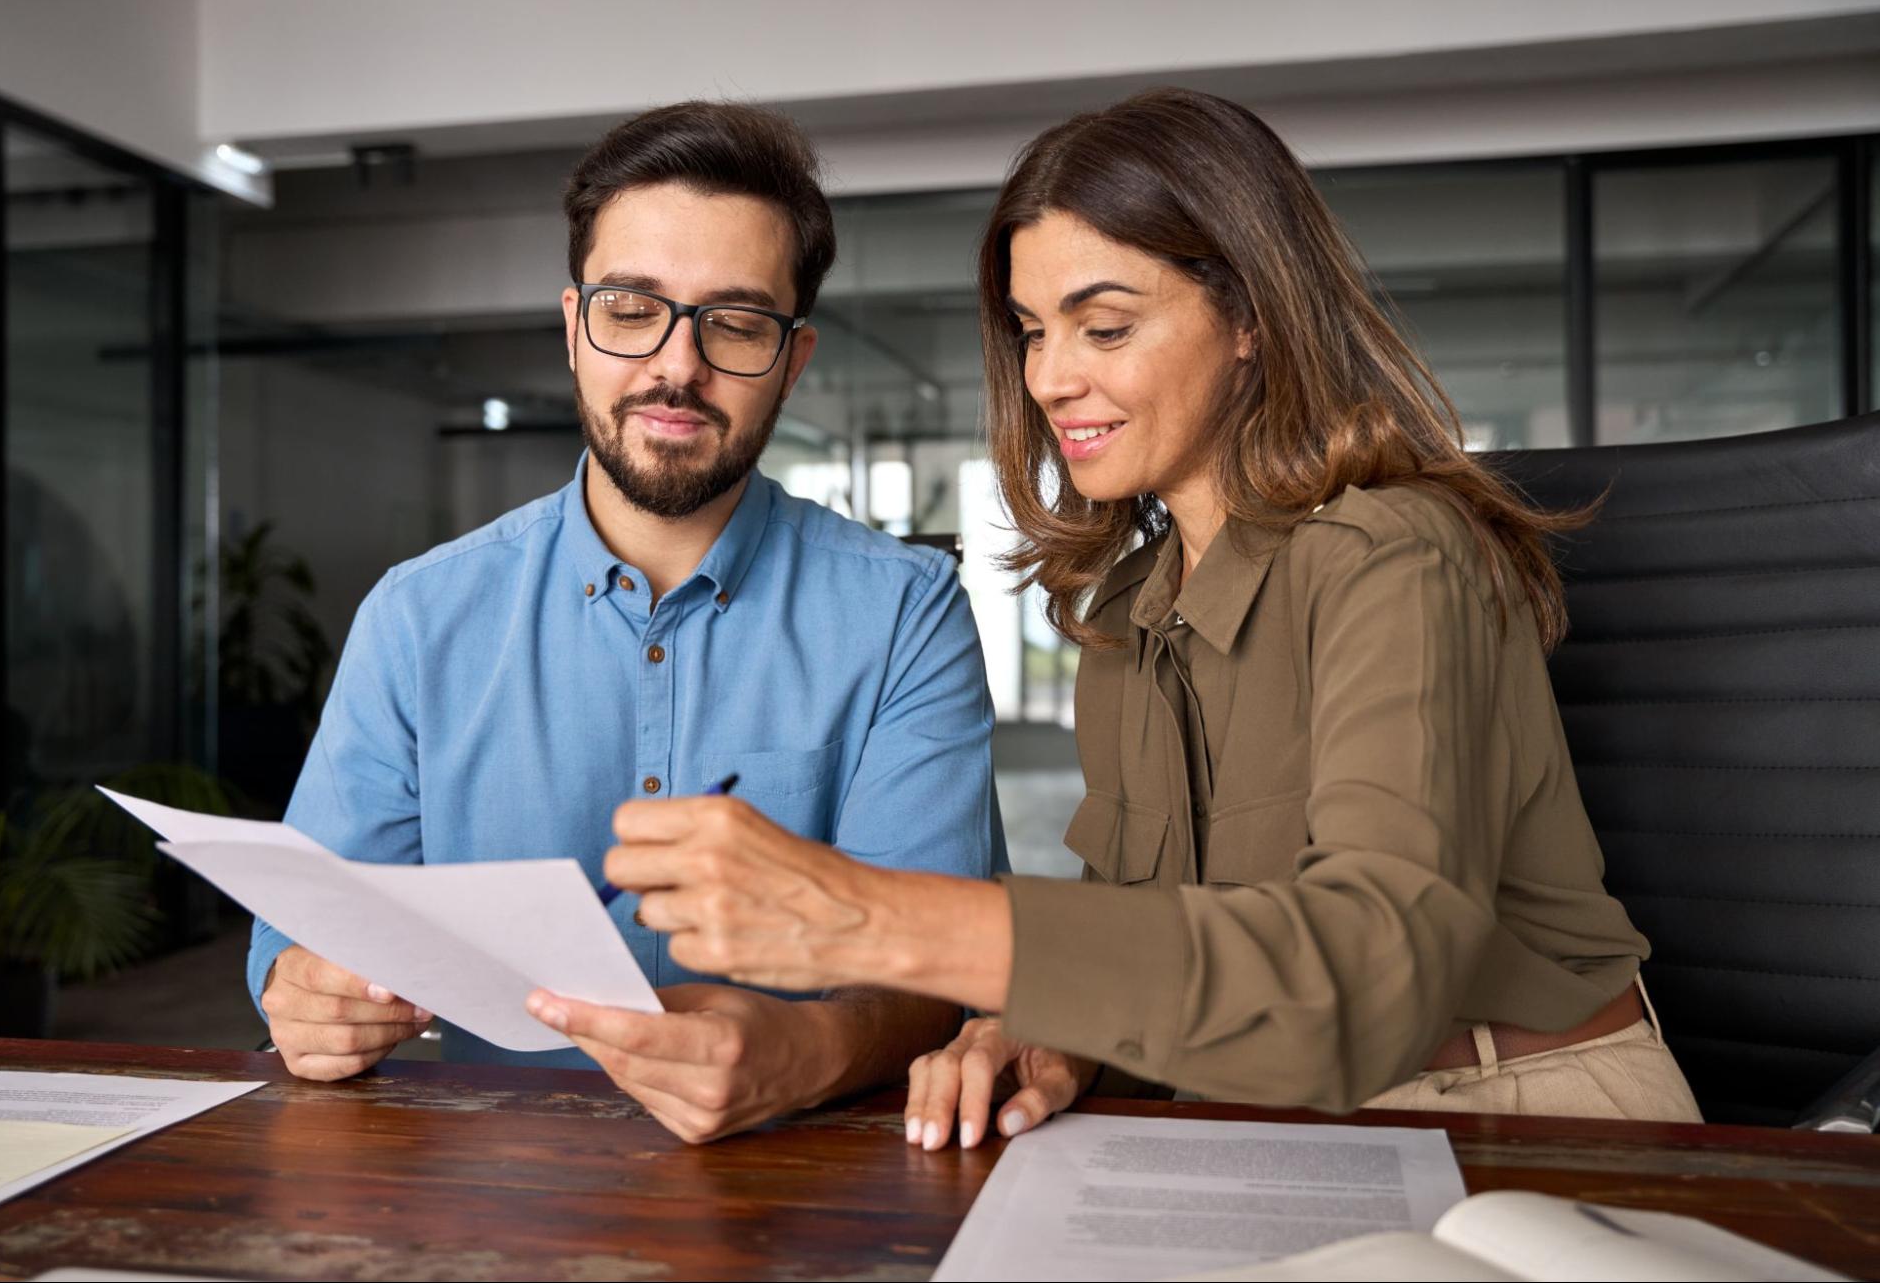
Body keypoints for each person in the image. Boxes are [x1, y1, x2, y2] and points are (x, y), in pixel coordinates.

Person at [590, 89, 1703, 1150]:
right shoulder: (1128, 613)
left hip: (1517, 1109)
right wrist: (1059, 1034)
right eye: (1031, 331)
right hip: (1269, 1119)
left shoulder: (1399, 555)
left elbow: (1366, 977)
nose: (1050, 378)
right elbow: (1159, 939)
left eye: (1104, 326)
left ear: (1250, 319)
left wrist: (874, 919)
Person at [248, 101, 1004, 1144]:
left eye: (735, 323)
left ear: (793, 358)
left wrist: (804, 1052)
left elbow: (939, 969)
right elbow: (301, 931)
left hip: (814, 1186)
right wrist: (302, 992)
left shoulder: (903, 614)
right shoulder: (419, 618)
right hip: (493, 1191)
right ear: (573, 327)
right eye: (632, 307)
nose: (676, 367)